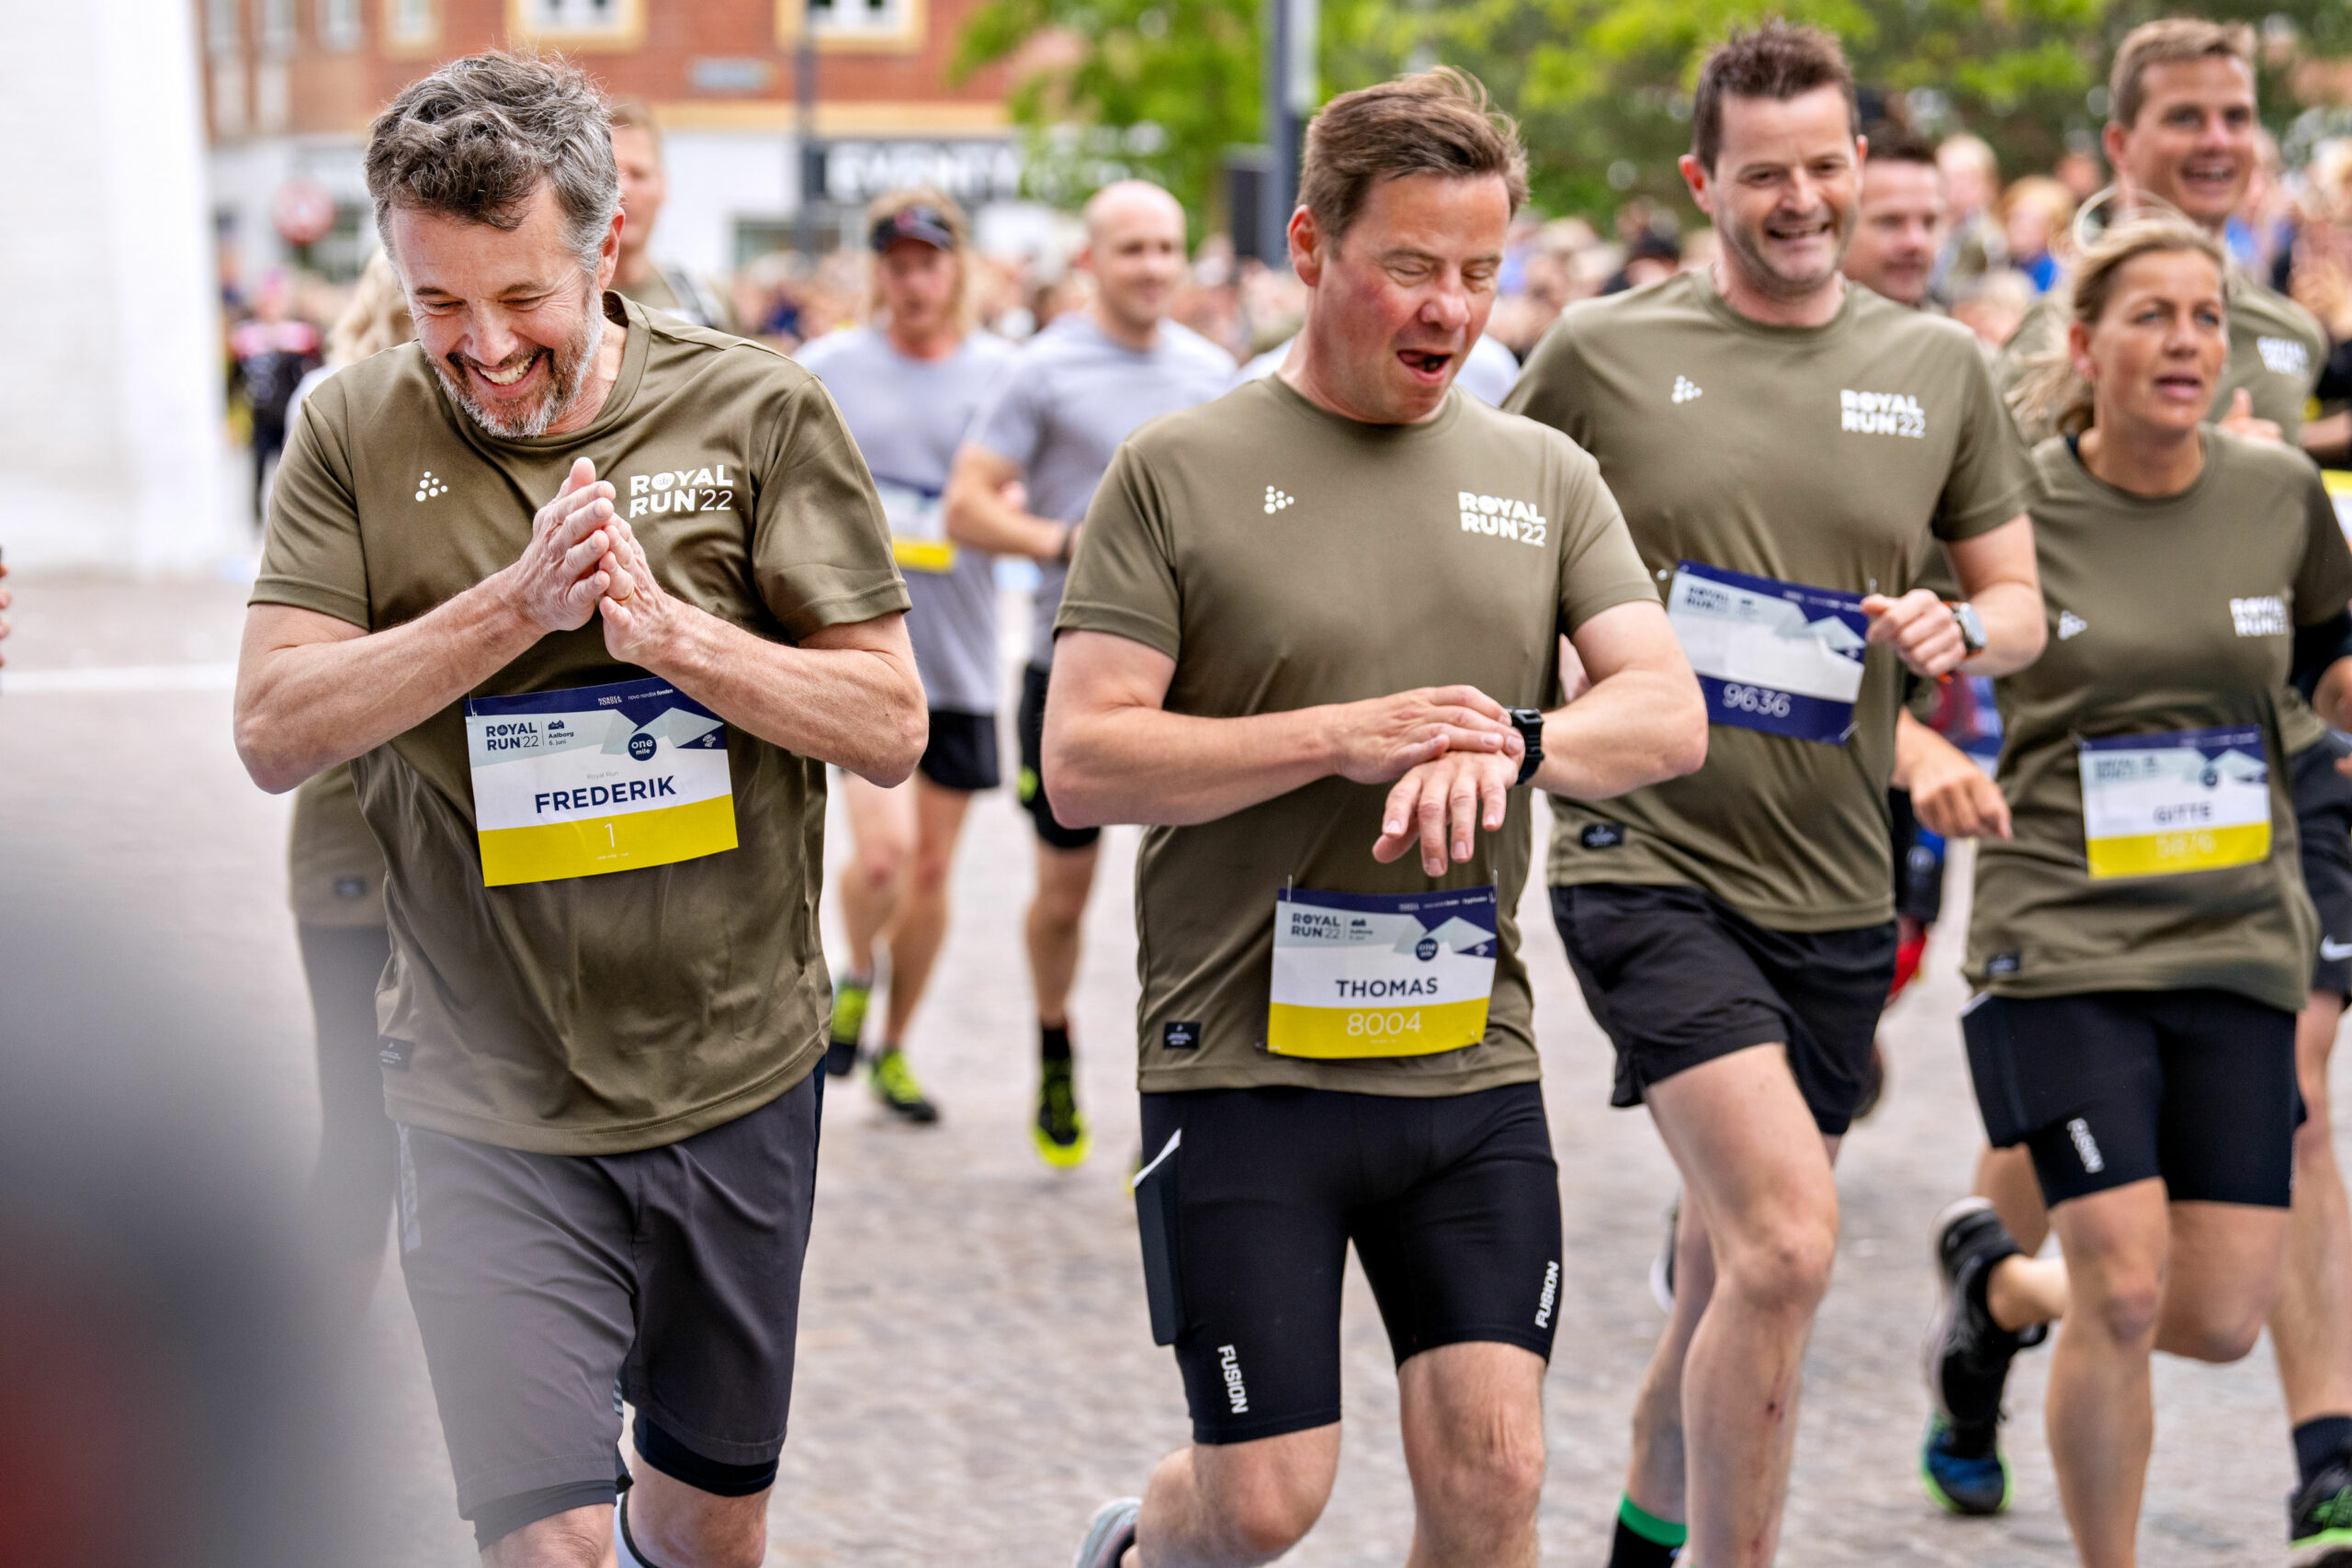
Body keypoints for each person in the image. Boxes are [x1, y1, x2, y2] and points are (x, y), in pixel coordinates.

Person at [232, 52, 925, 1567]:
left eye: (519, 301)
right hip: (482, 1095)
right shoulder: (353, 429)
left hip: (733, 1076)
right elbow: (276, 728)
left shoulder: (756, 409)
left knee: (703, 1527)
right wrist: (512, 606)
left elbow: (888, 721)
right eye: (436, 303)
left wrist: (673, 638)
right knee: (546, 1537)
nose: (478, 348)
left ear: (605, 247)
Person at [1051, 68, 1705, 1568]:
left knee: (1494, 1481)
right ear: (1308, 248)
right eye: (1411, 265)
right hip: (1240, 1061)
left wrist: (1522, 738)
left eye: (1482, 271)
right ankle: (1133, 1549)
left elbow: (1666, 714)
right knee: (1264, 1502)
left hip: (1463, 1055)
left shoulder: (1542, 472)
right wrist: (1341, 738)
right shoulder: (1181, 467)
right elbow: (1085, 758)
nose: (1452, 309)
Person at [1505, 24, 2045, 1568]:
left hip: (1834, 883)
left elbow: (2015, 596)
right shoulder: (1604, 351)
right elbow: (1487, 538)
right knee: (1789, 1246)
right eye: (1765, 174)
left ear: (1863, 166)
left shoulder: (1938, 367)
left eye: (1826, 165)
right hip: (1646, 853)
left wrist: (1963, 631)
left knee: (1726, 1269)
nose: (1801, 197)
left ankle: (1639, 1531)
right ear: (1703, 180)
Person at [1927, 24, 2352, 1546]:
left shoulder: (2279, 493)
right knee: (2122, 1283)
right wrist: (1923, 755)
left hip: (2236, 926)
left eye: (2206, 320)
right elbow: (1901, 671)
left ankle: (1995, 1282)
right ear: (2086, 342)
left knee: (2217, 1311)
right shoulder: (2012, 504)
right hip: (2068, 937)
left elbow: (2331, 668)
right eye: (2152, 319)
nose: (2186, 342)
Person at [942, 179, 1234, 1167]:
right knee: (1065, 895)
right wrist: (1068, 541)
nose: (1153, 267)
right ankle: (1055, 1037)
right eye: (1131, 250)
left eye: (1167, 247)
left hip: (1193, 675)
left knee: (1199, 897)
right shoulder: (1043, 370)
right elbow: (967, 508)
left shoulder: (1211, 371)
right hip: (1068, 671)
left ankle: (1182, 1100)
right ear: (1090, 262)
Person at [798, 190, 1014, 1128]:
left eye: (930, 261)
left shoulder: (1004, 375)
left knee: (930, 873)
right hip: (857, 652)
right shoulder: (829, 368)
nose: (913, 279)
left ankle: (893, 1045)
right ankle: (854, 969)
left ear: (957, 267)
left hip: (960, 656)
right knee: (881, 861)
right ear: (876, 270)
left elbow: (1031, 487)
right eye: (896, 262)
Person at [281, 249, 413, 1321]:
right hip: (354, 815)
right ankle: (314, 1381)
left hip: (496, 815)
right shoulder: (335, 415)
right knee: (361, 1120)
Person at [608, 100, 736, 333]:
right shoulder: (555, 301)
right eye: (610, 175)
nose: (623, 190)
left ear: (663, 186)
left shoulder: (706, 305)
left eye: (639, 175)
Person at [230, 271, 323, 524]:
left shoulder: (301, 335)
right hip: (260, 417)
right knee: (258, 471)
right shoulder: (247, 337)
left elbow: (316, 372)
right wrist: (232, 418)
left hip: (289, 417)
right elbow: (236, 380)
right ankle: (257, 521)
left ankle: (289, 518)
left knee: (291, 470)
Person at [1844, 126, 1946, 310]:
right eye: (1891, 222)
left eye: (1929, 223)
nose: (1916, 242)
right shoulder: (1794, 335)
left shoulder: (1957, 337)